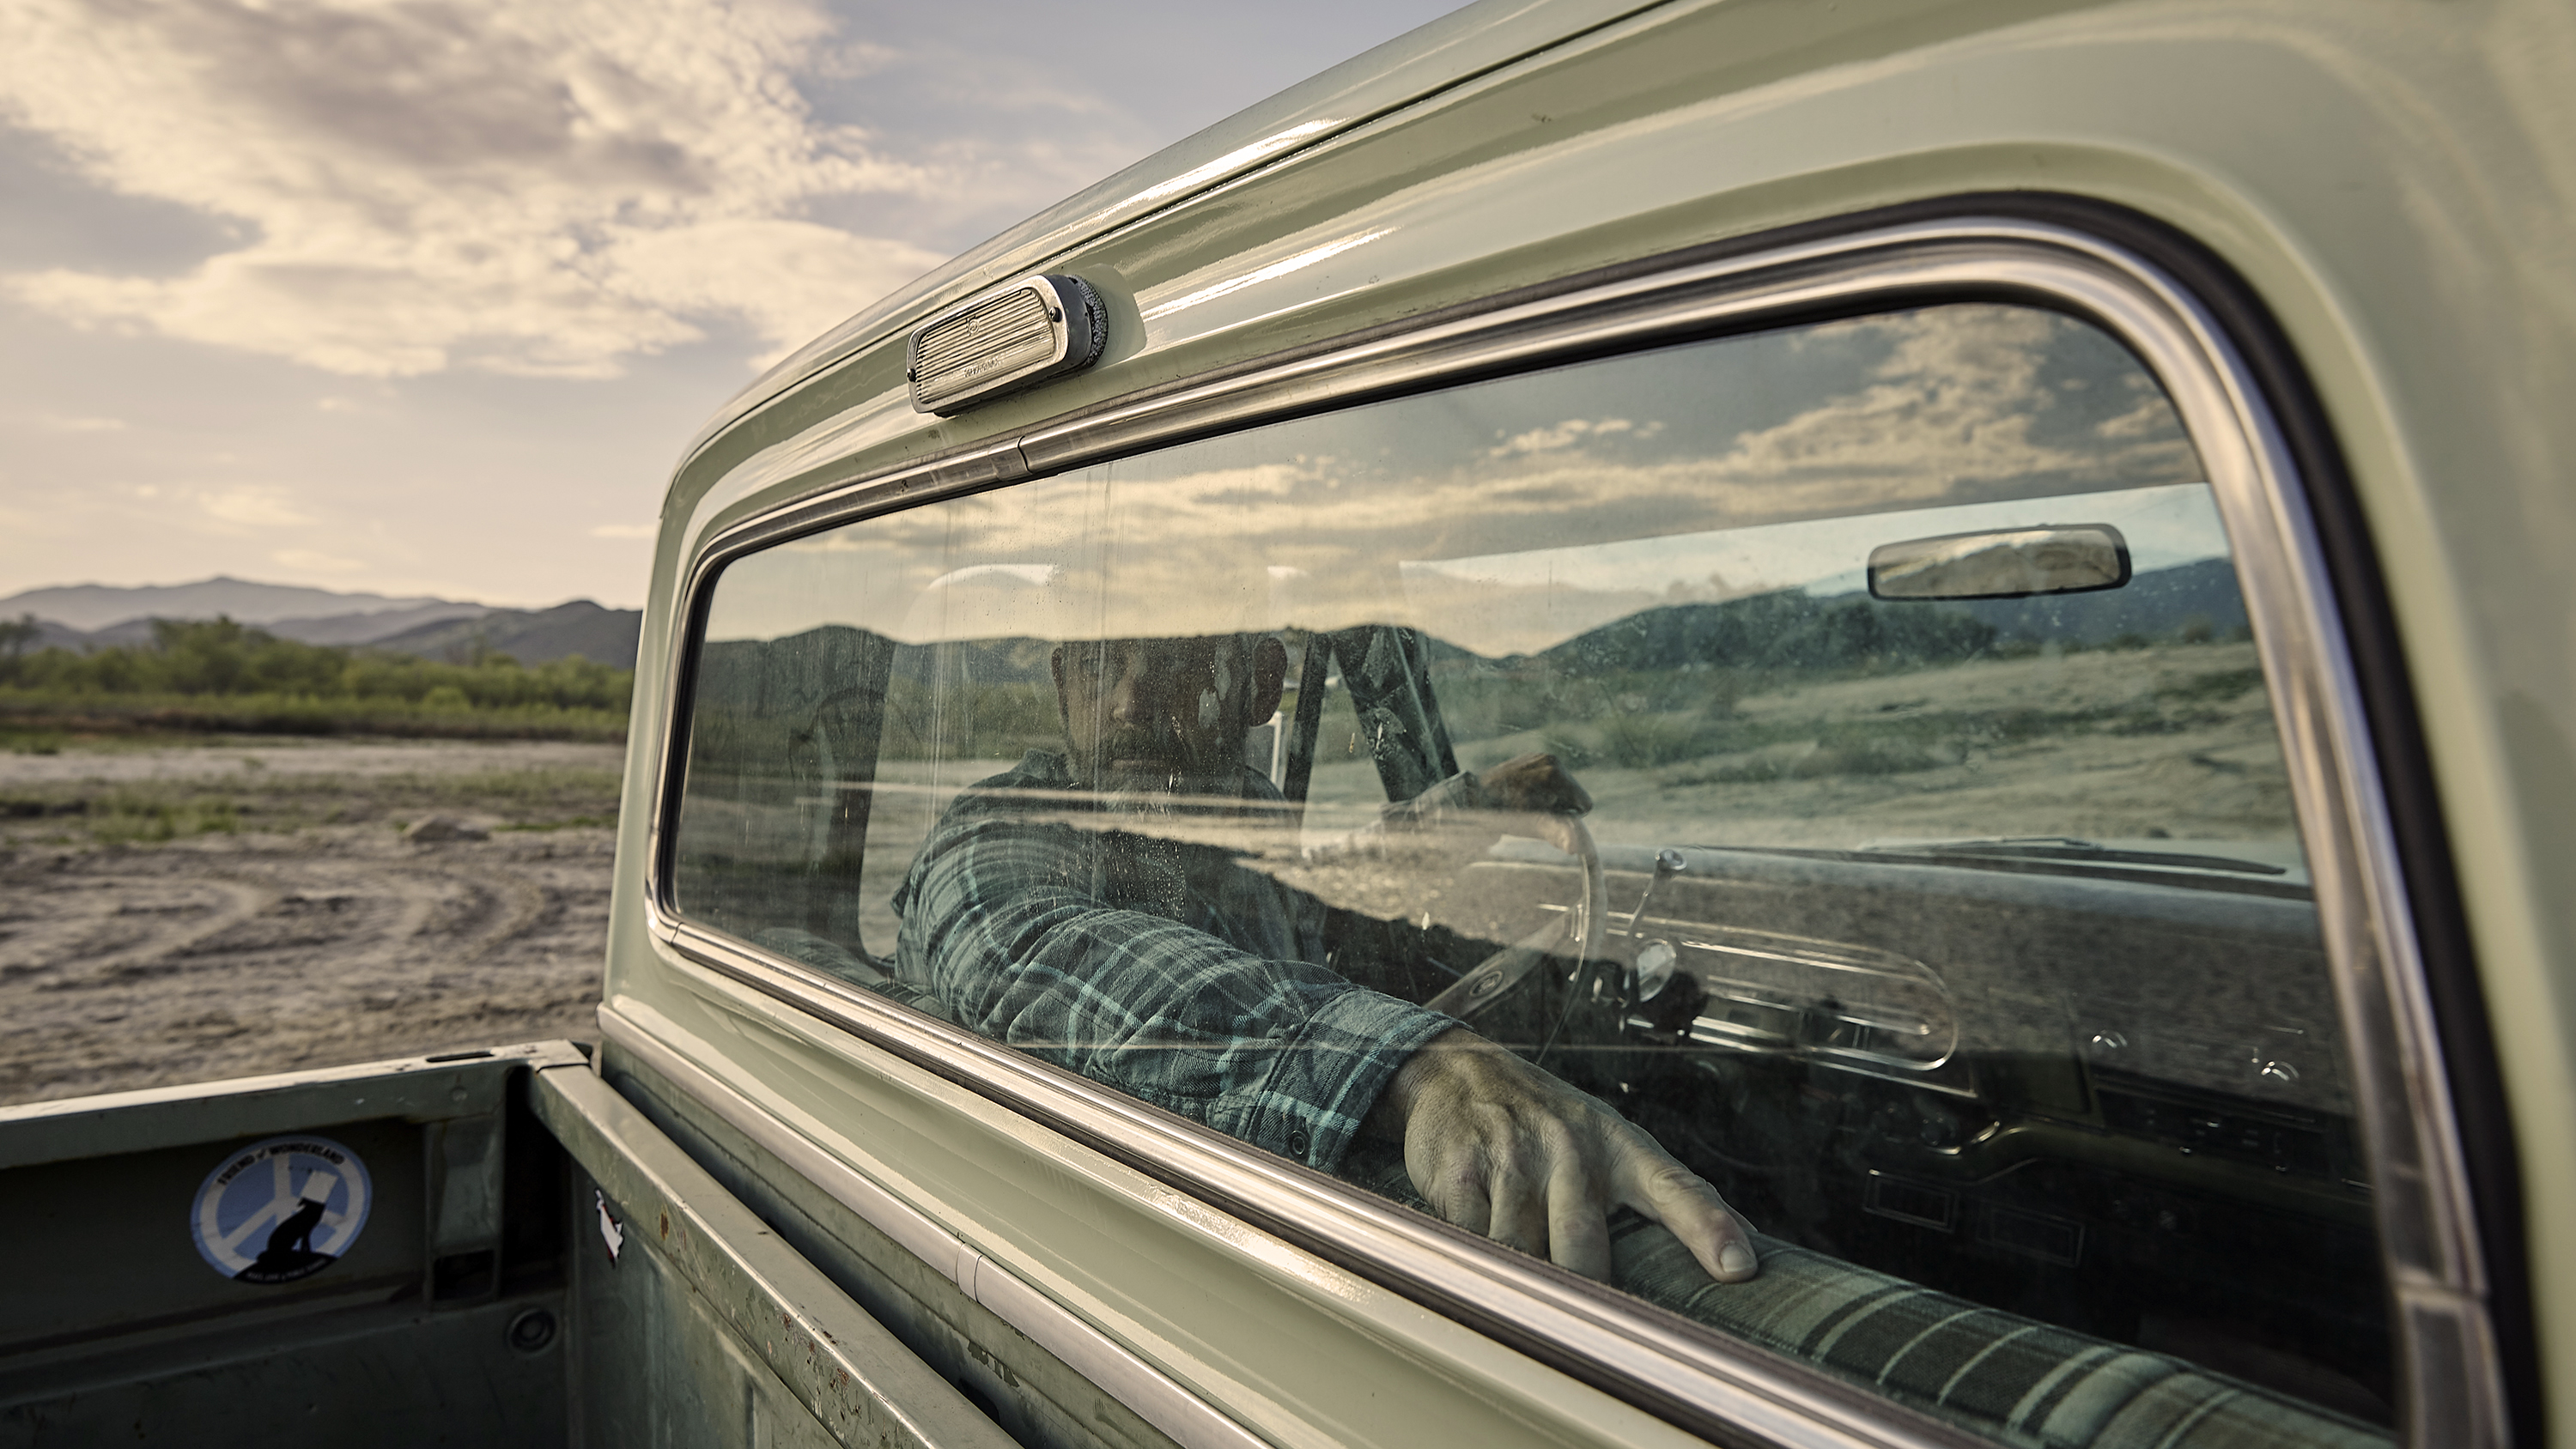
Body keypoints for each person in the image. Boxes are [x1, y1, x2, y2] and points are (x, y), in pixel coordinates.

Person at [892, 630, 1759, 1285]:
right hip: (1103, 1266)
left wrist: (1473, 807)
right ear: (1060, 684)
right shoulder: (1001, 827)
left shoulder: (1232, 805)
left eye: (1172, 661)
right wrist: (1423, 1069)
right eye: (1096, 667)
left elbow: (1323, 903)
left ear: (1257, 681)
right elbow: (1021, 947)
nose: (1125, 702)